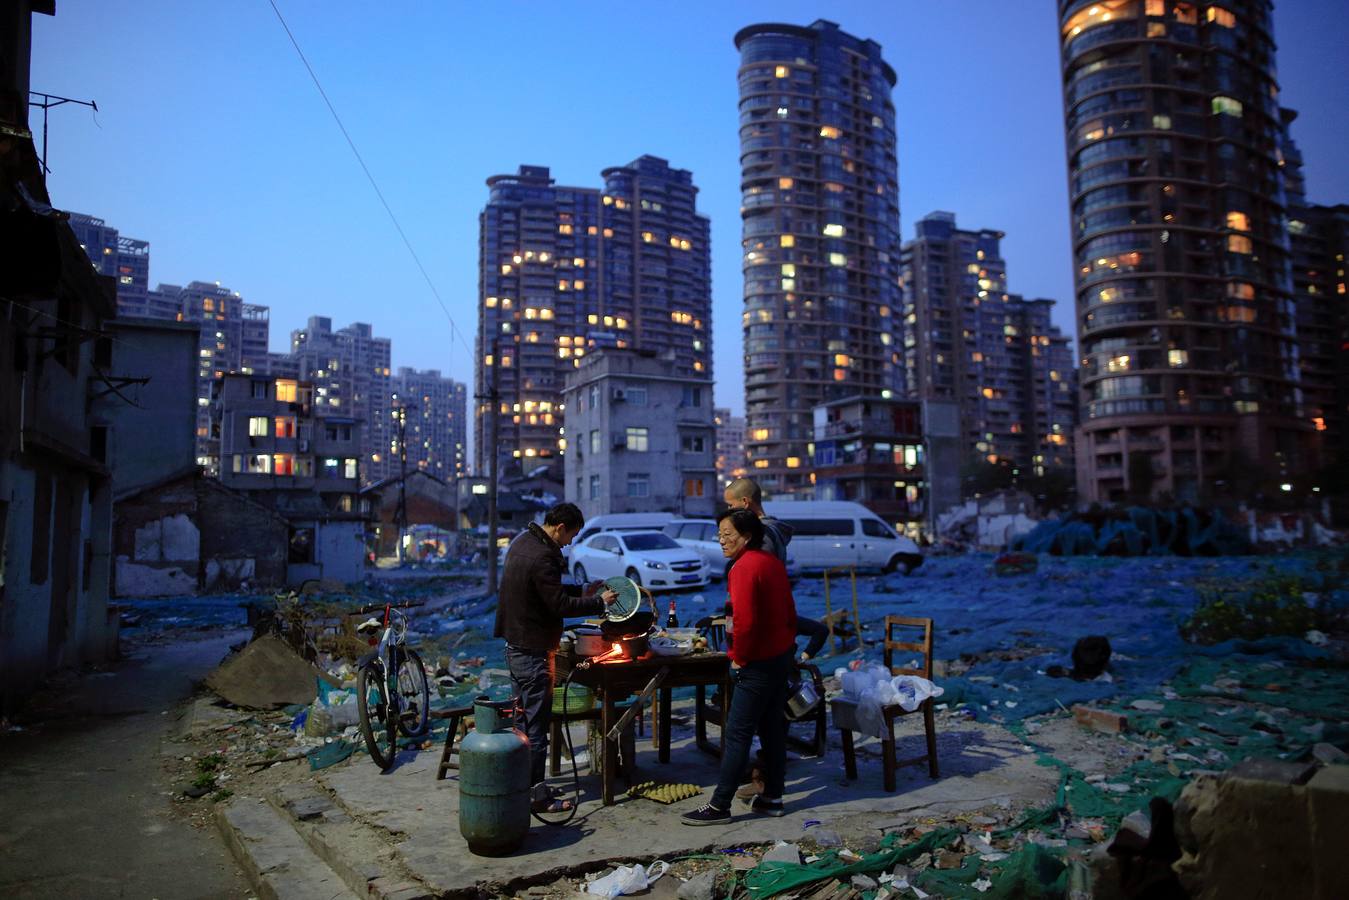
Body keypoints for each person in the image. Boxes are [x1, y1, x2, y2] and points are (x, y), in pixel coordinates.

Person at [494, 502, 614, 813]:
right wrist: (597, 602)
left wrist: (583, 589)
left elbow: (545, 591)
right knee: (535, 729)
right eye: (571, 536)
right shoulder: (543, 556)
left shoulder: (524, 542)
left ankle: (518, 788)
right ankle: (537, 797)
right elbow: (558, 605)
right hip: (533, 651)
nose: (570, 542)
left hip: (515, 646)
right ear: (560, 528)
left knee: (521, 724)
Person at [682, 510, 797, 824]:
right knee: (773, 732)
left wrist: (739, 658)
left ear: (746, 535)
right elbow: (790, 613)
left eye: (727, 533)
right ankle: (772, 797)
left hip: (756, 663)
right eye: (719, 534)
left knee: (737, 734)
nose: (721, 540)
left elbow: (743, 622)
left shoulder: (743, 567)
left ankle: (720, 805)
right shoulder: (772, 562)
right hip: (779, 658)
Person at [723, 477, 826, 661]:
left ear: (745, 502)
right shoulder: (770, 531)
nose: (729, 512)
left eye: (731, 506)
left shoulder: (761, 537)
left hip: (762, 634)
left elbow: (754, 588)